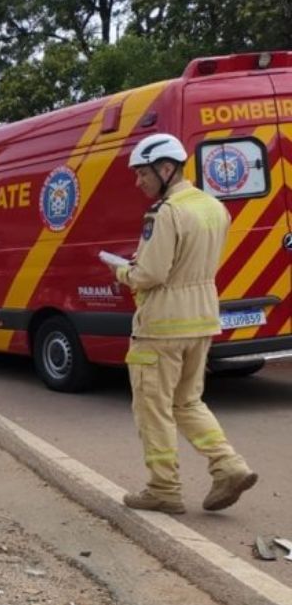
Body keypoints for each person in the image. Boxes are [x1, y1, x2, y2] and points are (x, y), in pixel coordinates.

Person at [101, 133, 258, 515]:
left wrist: (121, 270)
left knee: (152, 409)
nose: (139, 182)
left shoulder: (166, 212)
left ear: (166, 168)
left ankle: (163, 489)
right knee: (188, 401)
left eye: (143, 174)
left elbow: (150, 275)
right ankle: (229, 466)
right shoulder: (213, 207)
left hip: (161, 327)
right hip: (201, 319)